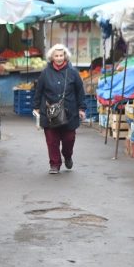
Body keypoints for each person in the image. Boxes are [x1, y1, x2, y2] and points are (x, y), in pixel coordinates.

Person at [32, 44, 86, 174]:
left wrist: (81, 108)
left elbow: (80, 91)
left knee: (69, 139)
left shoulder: (73, 72)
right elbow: (39, 91)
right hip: (49, 112)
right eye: (56, 56)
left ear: (65, 56)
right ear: (52, 57)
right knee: (52, 140)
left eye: (61, 55)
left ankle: (67, 156)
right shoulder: (45, 73)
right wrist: (36, 107)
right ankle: (54, 164)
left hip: (70, 112)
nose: (59, 58)